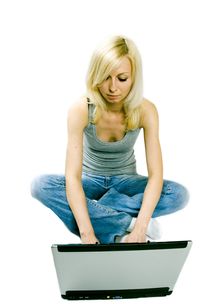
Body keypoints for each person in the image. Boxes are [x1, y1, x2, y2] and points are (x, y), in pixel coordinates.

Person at [31, 35, 189, 244]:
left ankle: (100, 210)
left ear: (134, 78)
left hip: (127, 182)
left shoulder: (146, 110)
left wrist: (141, 231)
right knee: (40, 186)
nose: (113, 87)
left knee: (178, 194)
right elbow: (72, 178)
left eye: (122, 79)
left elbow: (156, 175)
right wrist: (88, 233)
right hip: (89, 180)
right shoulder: (81, 109)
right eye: (106, 77)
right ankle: (123, 224)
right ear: (95, 76)